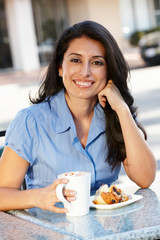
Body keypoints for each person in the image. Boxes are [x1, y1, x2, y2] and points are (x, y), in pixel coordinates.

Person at [0, 21, 156, 213]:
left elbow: (145, 178)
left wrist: (123, 109)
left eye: (97, 62)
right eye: (75, 60)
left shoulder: (117, 115)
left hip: (106, 230)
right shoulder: (31, 121)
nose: (85, 72)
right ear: (60, 68)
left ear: (109, 71)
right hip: (49, 231)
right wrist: (38, 197)